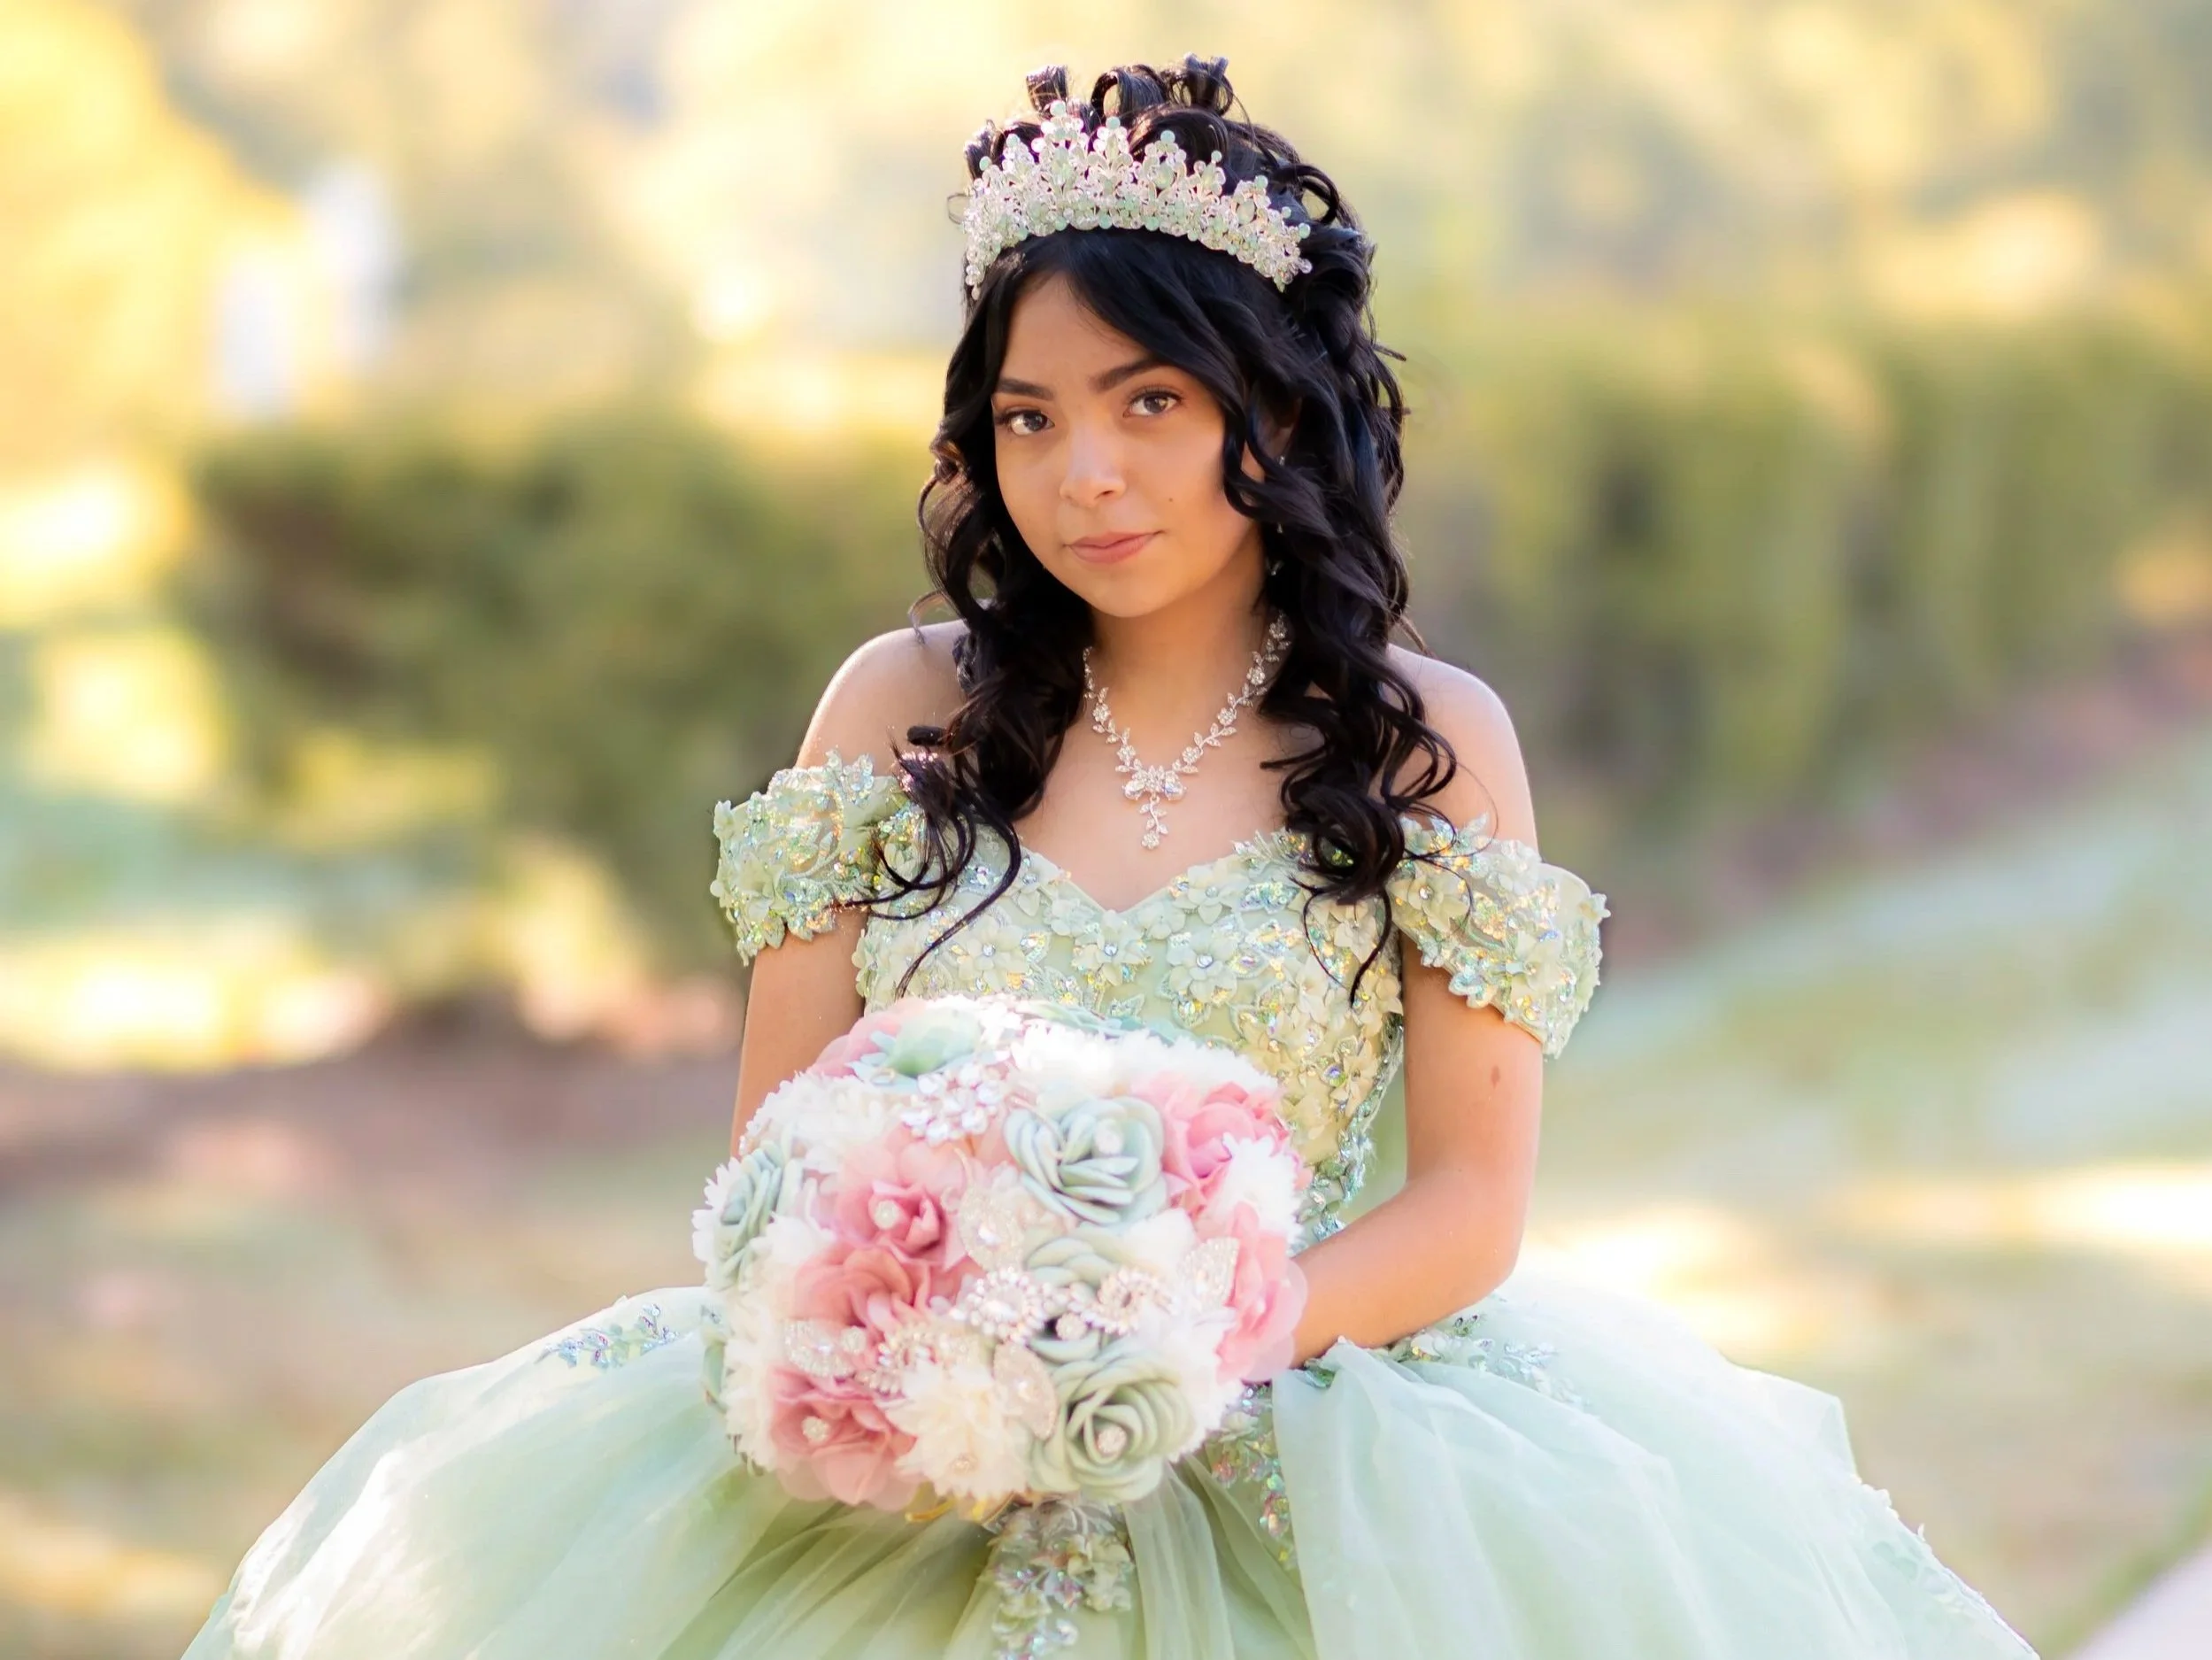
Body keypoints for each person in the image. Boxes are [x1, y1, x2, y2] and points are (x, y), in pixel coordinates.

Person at [184, 55, 2039, 1660]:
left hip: (1304, 1426)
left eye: (1149, 402)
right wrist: (920, 1348)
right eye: (1030, 417)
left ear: (1275, 414)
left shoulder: (1430, 744)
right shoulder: (893, 708)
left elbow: (1470, 1206)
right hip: (903, 1445)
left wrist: (1157, 1349)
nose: (1083, 473)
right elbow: (773, 1150)